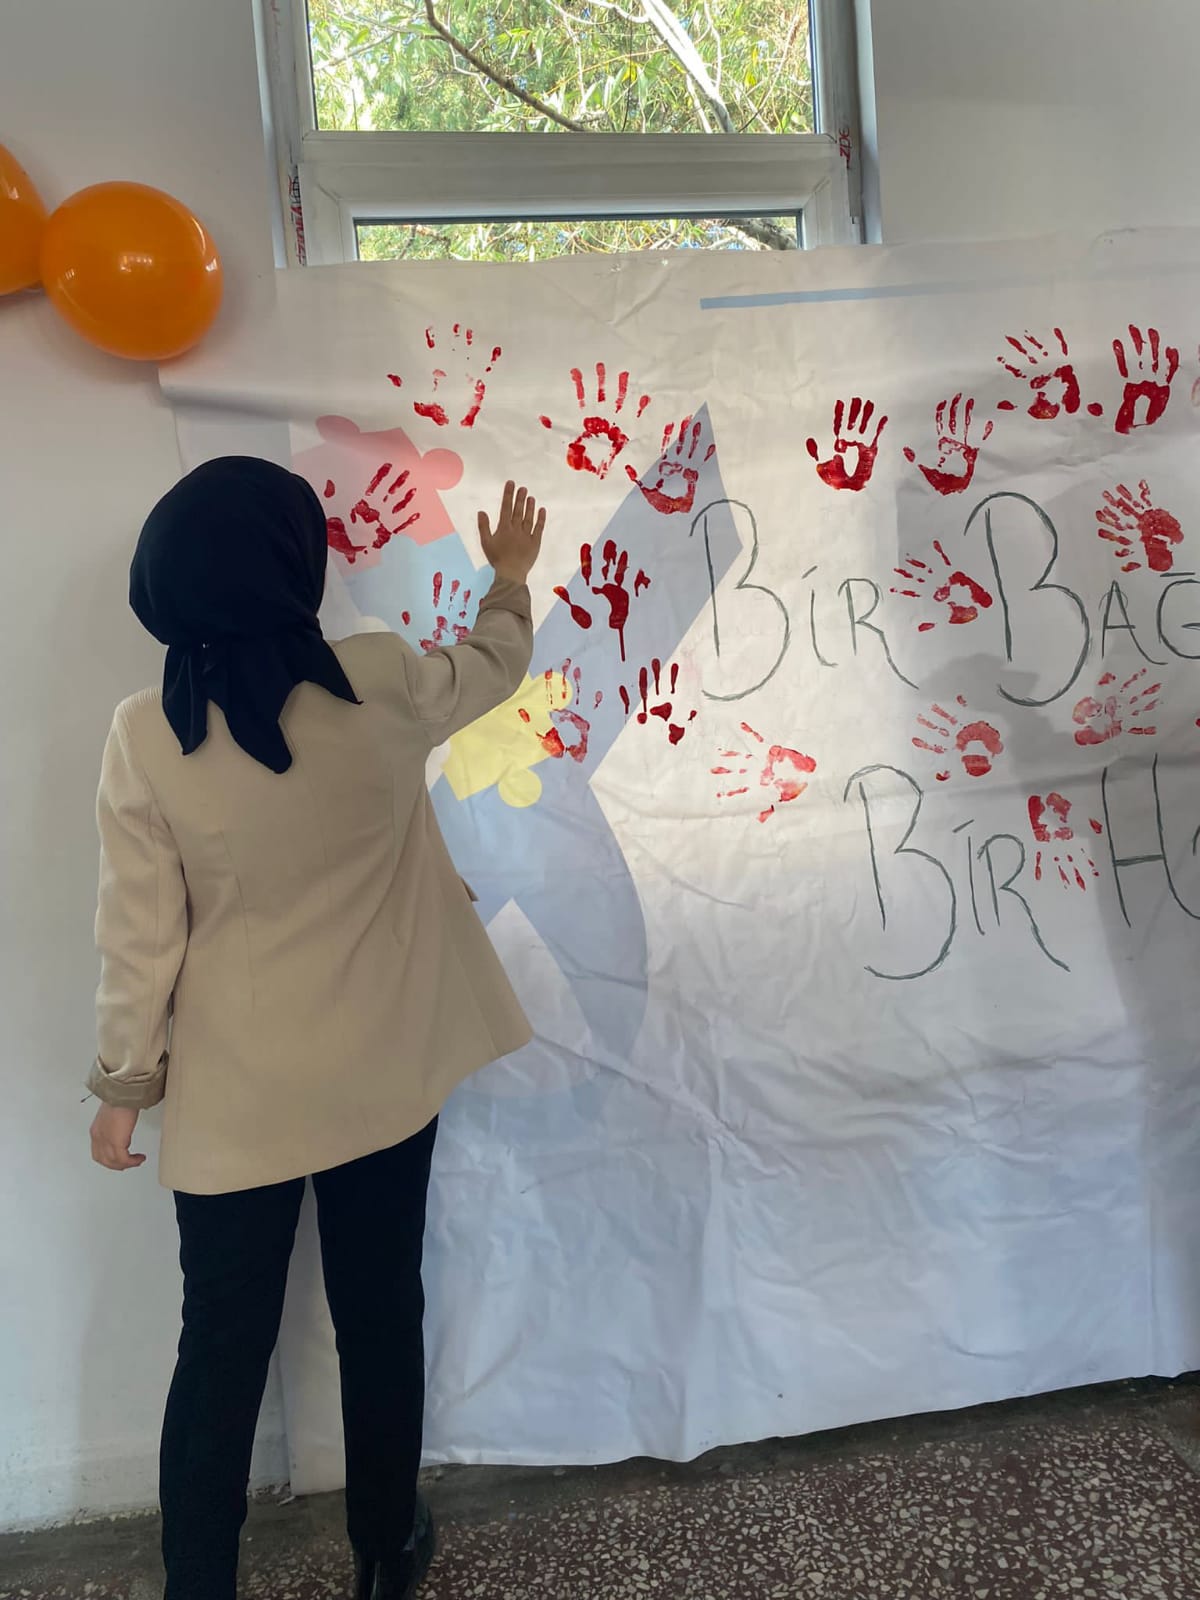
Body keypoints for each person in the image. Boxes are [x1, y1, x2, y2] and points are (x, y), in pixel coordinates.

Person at [86, 457, 545, 1600]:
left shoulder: (146, 734)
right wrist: (508, 576)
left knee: (219, 1351)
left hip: (238, 1094)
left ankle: (200, 1586)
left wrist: (124, 1086)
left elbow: (140, 937)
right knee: (381, 1311)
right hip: (382, 1071)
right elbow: (493, 665)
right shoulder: (379, 678)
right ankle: (386, 1551)